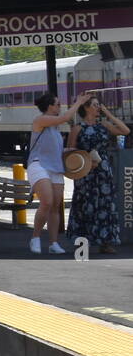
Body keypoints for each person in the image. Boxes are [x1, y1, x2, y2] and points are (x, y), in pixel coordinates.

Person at [27, 91, 95, 255]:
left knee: (56, 206)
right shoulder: (40, 120)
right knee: (47, 202)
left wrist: (70, 150)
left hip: (55, 167)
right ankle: (35, 237)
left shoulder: (55, 130)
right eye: (57, 104)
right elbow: (64, 118)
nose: (60, 107)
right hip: (39, 165)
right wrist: (79, 102)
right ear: (50, 106)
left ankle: (53, 243)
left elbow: (55, 149)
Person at [67, 94, 129, 254]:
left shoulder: (104, 125)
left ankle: (106, 242)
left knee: (105, 205)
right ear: (86, 108)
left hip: (103, 169)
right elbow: (70, 150)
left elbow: (125, 130)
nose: (98, 108)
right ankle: (82, 241)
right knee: (85, 204)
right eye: (95, 105)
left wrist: (108, 113)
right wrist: (86, 158)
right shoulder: (77, 128)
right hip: (85, 169)